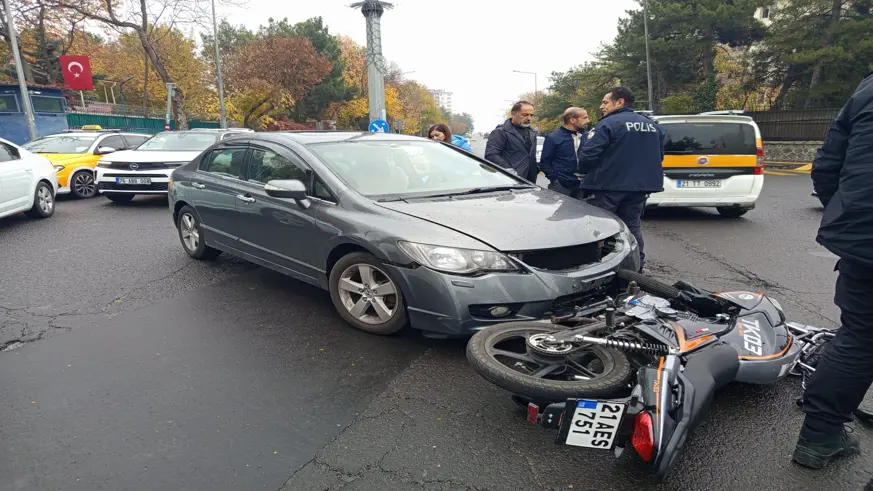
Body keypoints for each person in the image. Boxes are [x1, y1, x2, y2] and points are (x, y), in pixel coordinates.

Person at [793, 72, 873, 471]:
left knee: (860, 338)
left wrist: (854, 218)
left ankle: (819, 438)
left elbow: (826, 167)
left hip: (866, 238)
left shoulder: (866, 91)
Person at [577, 87, 665, 272]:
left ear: (620, 102)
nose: (602, 106)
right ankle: (637, 265)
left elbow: (588, 155)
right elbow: (659, 155)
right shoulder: (653, 126)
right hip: (639, 188)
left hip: (606, 186)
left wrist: (581, 171)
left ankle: (600, 268)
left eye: (605, 102)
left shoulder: (608, 124)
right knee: (632, 226)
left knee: (601, 227)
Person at [540, 107, 590, 198]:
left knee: (581, 212)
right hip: (561, 186)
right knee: (561, 212)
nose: (588, 120)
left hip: (583, 186)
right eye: (584, 118)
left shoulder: (587, 136)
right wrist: (555, 180)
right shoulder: (553, 137)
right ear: (572, 120)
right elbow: (544, 162)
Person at [484, 101, 539, 182]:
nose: (529, 118)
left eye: (531, 115)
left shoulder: (532, 133)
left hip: (530, 182)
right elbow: (491, 155)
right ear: (513, 114)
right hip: (509, 181)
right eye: (525, 115)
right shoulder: (500, 132)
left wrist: (537, 169)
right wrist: (509, 170)